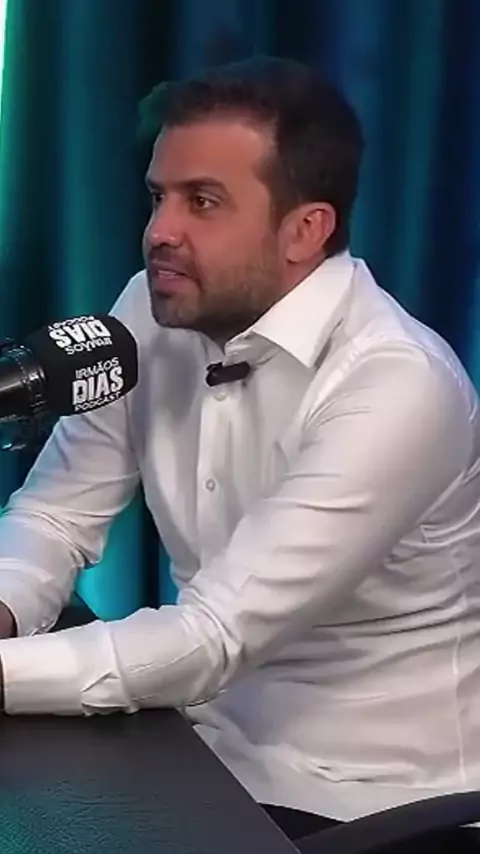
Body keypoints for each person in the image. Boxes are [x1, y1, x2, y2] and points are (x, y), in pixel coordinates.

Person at [0, 56, 480, 851]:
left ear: (306, 230)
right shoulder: (150, 309)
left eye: (203, 202)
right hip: (199, 754)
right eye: (158, 196)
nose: (160, 232)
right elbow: (54, 516)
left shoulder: (399, 385)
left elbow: (213, 635)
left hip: (371, 802)